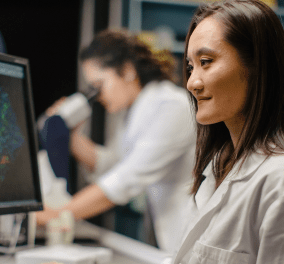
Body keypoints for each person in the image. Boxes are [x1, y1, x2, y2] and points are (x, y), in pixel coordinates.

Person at [171, 0, 284, 263]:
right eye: (190, 67)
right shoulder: (218, 168)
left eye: (206, 61)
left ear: (257, 67)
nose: (192, 82)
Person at [36, 30, 196, 253]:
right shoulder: (133, 113)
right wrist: (69, 135)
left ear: (128, 71)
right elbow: (111, 166)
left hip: (196, 231)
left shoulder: (172, 106)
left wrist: (56, 214)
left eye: (99, 85)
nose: (98, 96)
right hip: (171, 232)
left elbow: (126, 179)